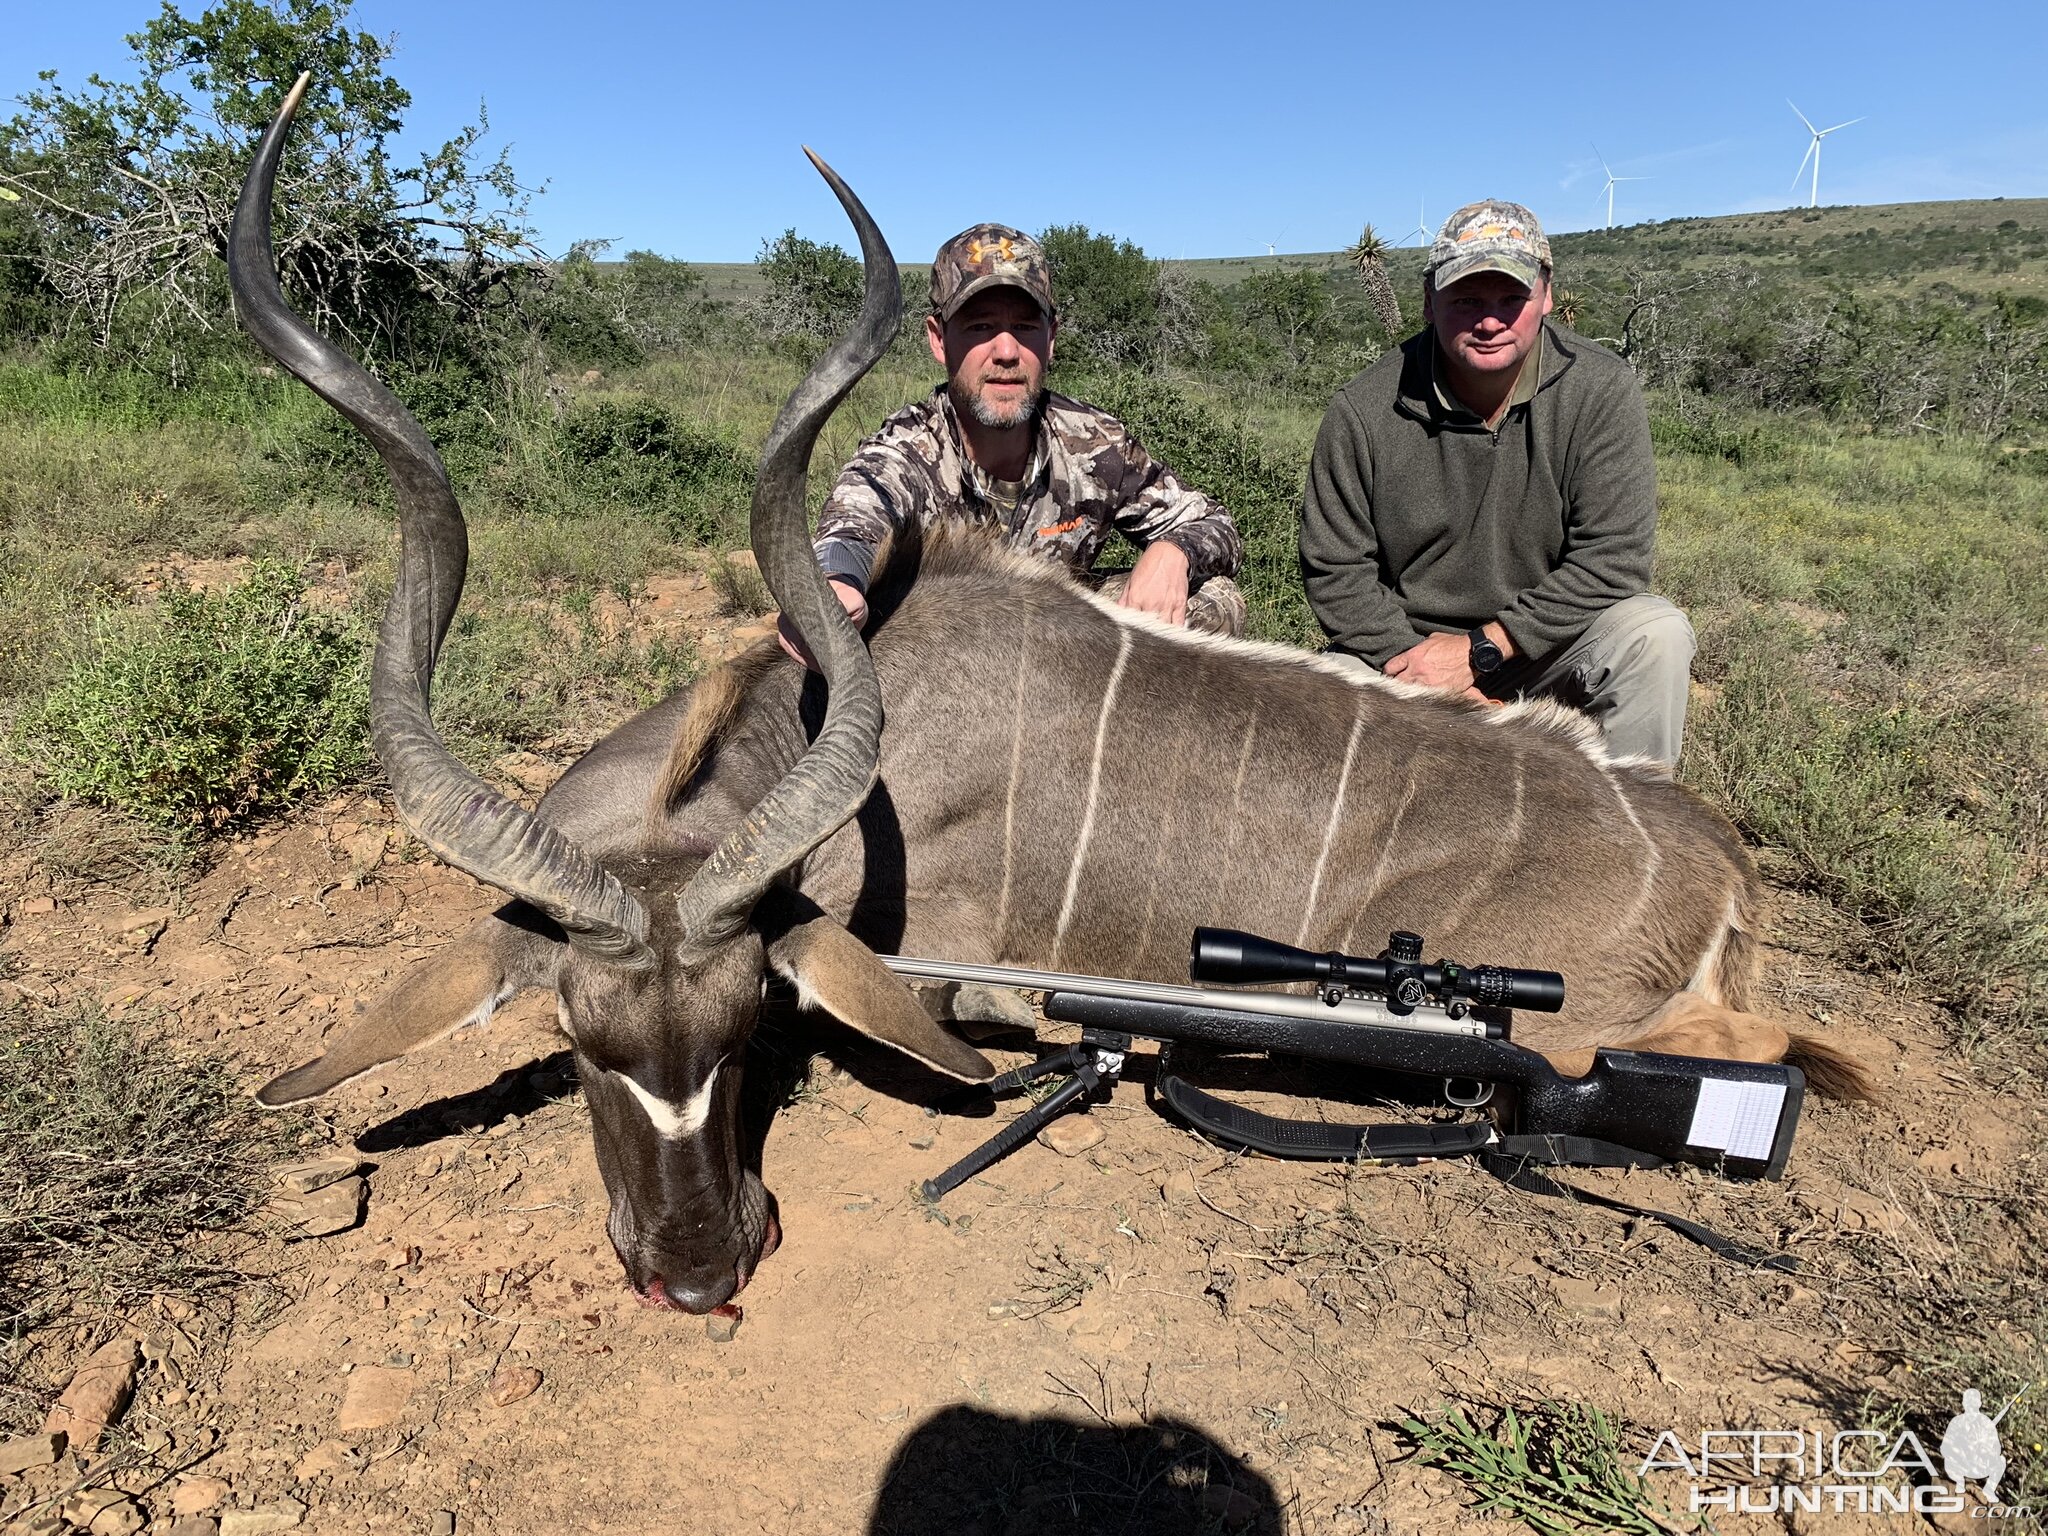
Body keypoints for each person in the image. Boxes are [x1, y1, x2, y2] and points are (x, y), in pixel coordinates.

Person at [1299, 200, 1695, 765]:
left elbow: (1613, 559)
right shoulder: (1362, 410)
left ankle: (1631, 838)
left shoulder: (1600, 389)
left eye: (1512, 298)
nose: (1490, 321)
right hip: (1411, 654)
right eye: (1466, 300)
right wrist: (1424, 668)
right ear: (1430, 301)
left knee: (1655, 636)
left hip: (1548, 646)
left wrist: (1482, 650)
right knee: (1323, 692)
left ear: (1546, 295)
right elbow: (1336, 571)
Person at [782, 223, 1245, 667]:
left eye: (1025, 327)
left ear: (1051, 339)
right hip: (943, 661)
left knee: (1216, 601)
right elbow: (851, 527)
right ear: (939, 340)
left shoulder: (1094, 442)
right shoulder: (906, 450)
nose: (1006, 352)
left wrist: (1173, 553)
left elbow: (1212, 523)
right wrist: (836, 582)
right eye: (981, 327)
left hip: (1058, 648)